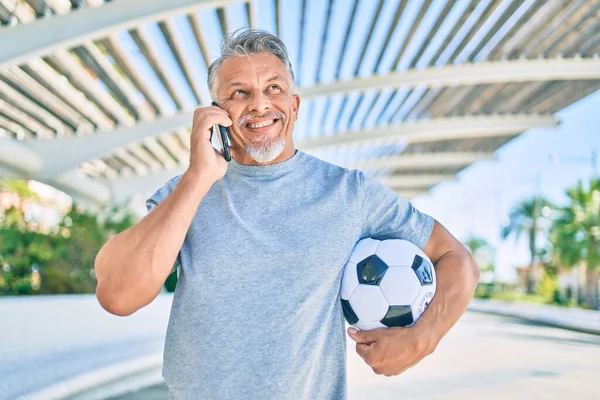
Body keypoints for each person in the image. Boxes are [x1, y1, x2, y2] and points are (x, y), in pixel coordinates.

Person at [94, 28, 480, 400]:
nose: (260, 104)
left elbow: (457, 259)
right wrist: (197, 177)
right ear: (216, 113)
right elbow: (117, 295)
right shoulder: (184, 195)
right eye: (239, 93)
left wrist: (422, 338)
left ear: (293, 105)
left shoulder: (349, 193)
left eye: (273, 89)